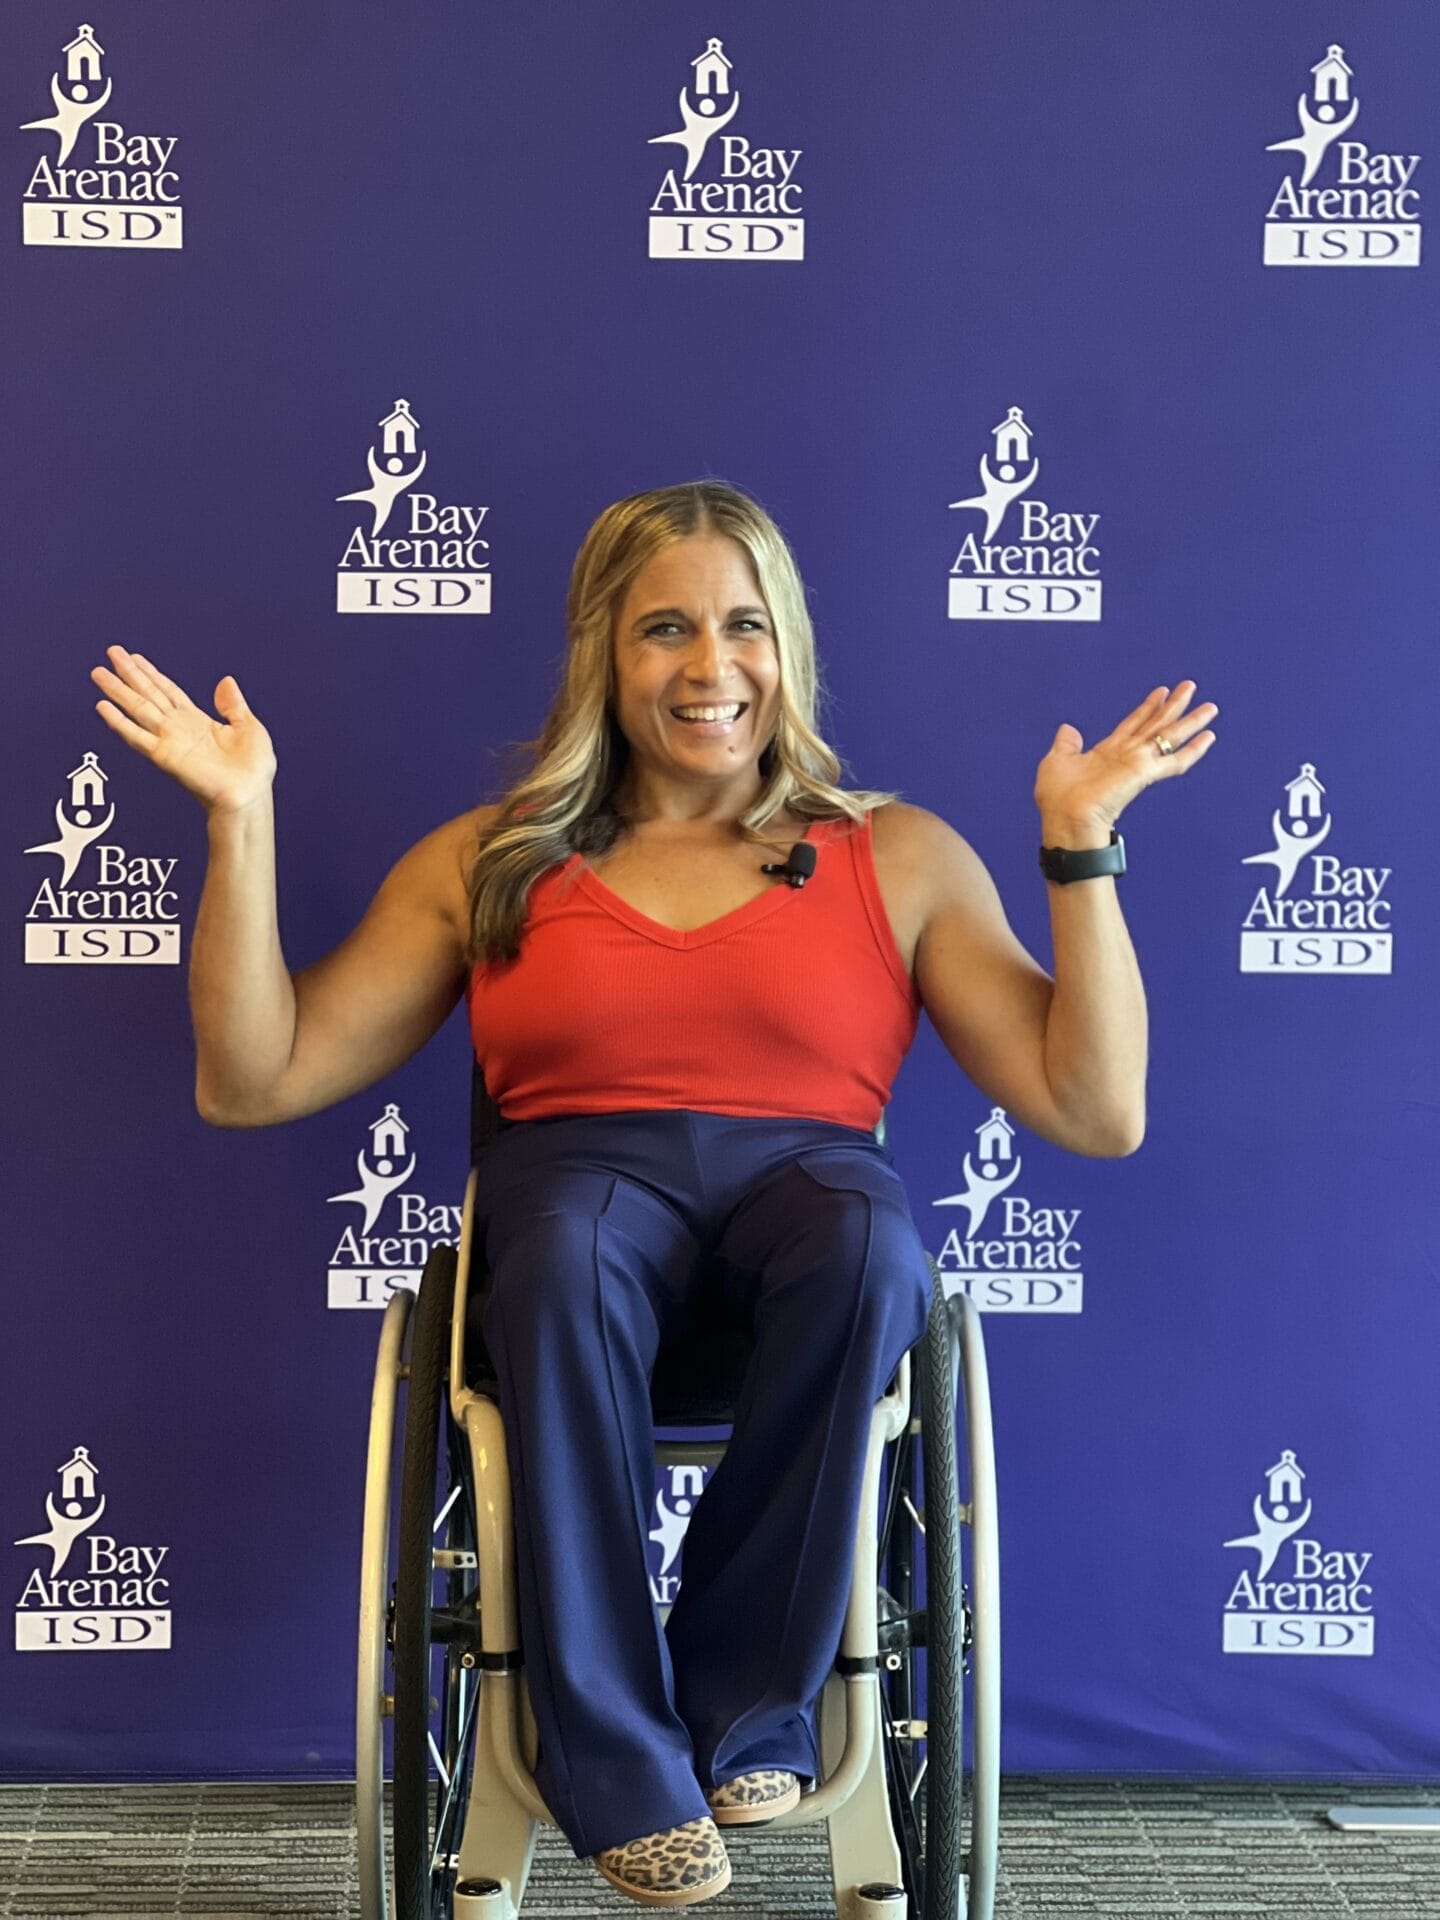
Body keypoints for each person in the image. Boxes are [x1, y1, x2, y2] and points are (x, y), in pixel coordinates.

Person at [91, 480, 1216, 1908]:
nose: (708, 667)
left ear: (788, 647)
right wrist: (240, 820)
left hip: (805, 1228)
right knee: (554, 1245)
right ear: (602, 656)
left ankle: (749, 1711)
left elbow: (1094, 1108)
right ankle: (612, 1757)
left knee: (875, 1240)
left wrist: (1081, 848)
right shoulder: (496, 858)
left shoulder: (898, 854)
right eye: (665, 629)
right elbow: (252, 1078)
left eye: (743, 627)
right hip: (573, 1222)